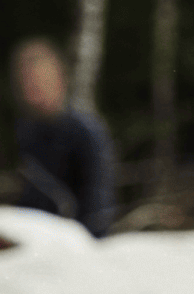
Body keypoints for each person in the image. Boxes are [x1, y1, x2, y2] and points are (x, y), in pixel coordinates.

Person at [11, 37, 117, 237]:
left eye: (39, 83)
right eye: (26, 84)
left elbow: (98, 209)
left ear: (59, 81)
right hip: (38, 242)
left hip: (76, 246)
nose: (31, 92)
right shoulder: (27, 131)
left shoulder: (87, 132)